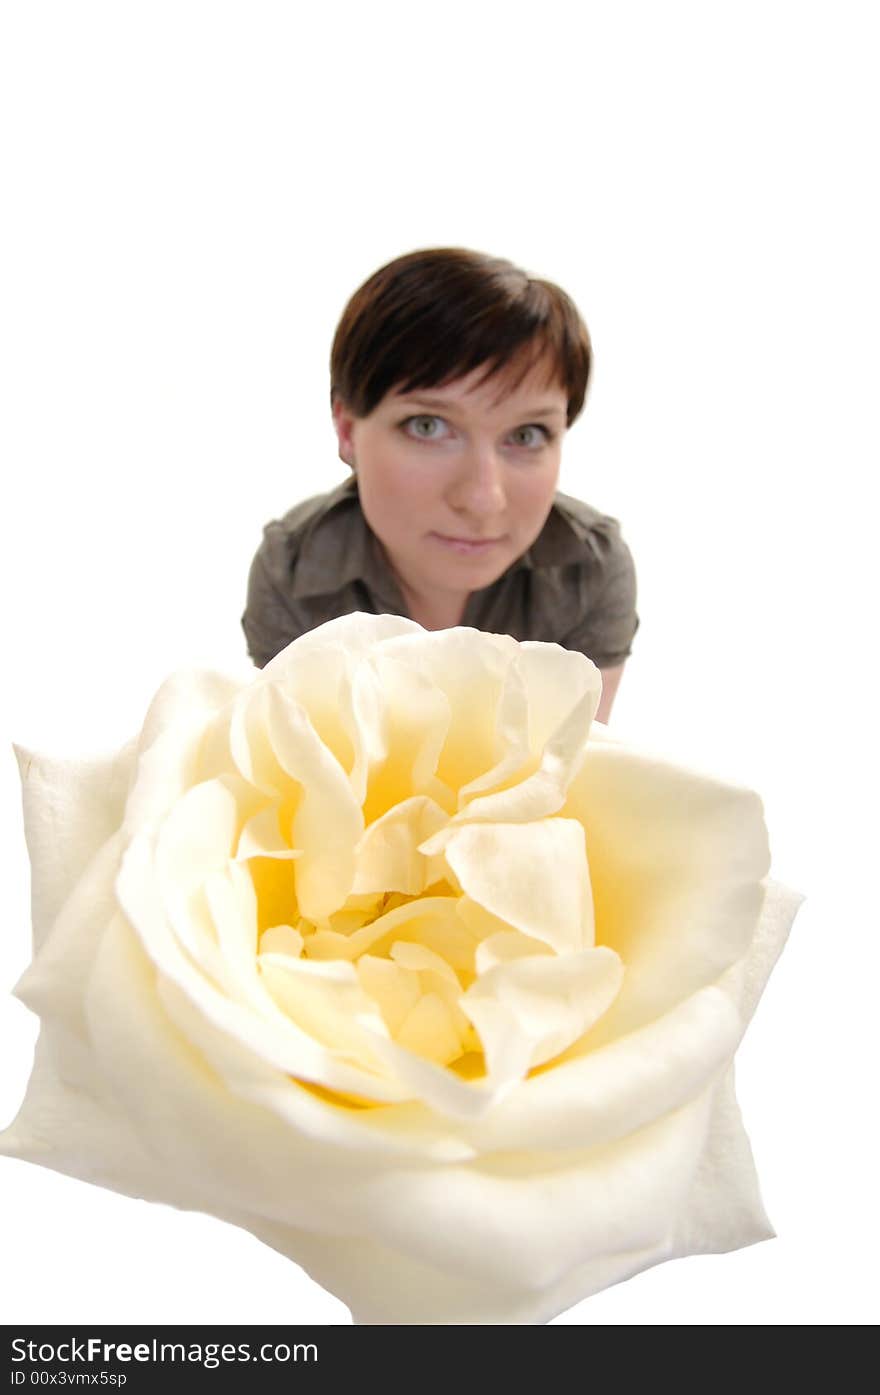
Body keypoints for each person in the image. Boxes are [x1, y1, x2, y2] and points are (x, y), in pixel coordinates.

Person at [242, 248, 638, 723]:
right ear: (347, 428)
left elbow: (573, 781)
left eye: (526, 435)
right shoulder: (294, 573)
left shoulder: (589, 572)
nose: (483, 499)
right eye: (428, 426)